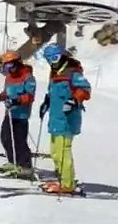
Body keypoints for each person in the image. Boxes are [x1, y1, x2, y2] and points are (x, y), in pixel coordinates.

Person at [38, 43, 92, 194]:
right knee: (55, 151)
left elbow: (85, 89)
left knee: (63, 151)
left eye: (55, 58)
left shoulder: (72, 72)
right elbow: (53, 92)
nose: (52, 62)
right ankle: (62, 178)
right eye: (49, 59)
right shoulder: (55, 73)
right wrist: (47, 102)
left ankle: (67, 184)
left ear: (61, 56)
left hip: (68, 118)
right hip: (56, 118)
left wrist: (74, 100)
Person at [0, 50, 36, 178]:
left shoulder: (27, 77)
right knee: (5, 138)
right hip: (10, 113)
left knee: (19, 141)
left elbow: (29, 96)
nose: (8, 69)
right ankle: (13, 162)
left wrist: (17, 100)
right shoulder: (9, 78)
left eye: (10, 65)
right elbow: (7, 93)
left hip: (21, 115)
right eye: (5, 66)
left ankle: (25, 166)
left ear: (17, 63)